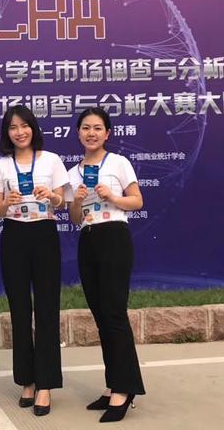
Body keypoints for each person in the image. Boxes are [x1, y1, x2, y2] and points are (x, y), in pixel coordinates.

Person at [66, 107, 146, 423]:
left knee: (114, 313)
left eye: (98, 128)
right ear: (78, 133)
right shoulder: (73, 173)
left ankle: (123, 389)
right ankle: (115, 383)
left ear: (107, 133)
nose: (91, 133)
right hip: (88, 238)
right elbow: (74, 218)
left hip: (114, 235)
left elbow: (137, 201)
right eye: (86, 128)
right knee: (101, 316)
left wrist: (111, 196)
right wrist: (76, 200)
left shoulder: (118, 162)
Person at [0, 105, 69, 416]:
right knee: (20, 310)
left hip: (44, 233)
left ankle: (45, 384)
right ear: (7, 133)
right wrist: (5, 203)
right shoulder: (1, 166)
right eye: (13, 127)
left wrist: (51, 196)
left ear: (33, 128)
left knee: (47, 308)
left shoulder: (51, 160)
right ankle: (27, 380)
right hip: (14, 235)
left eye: (24, 126)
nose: (19, 132)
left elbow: (63, 203)